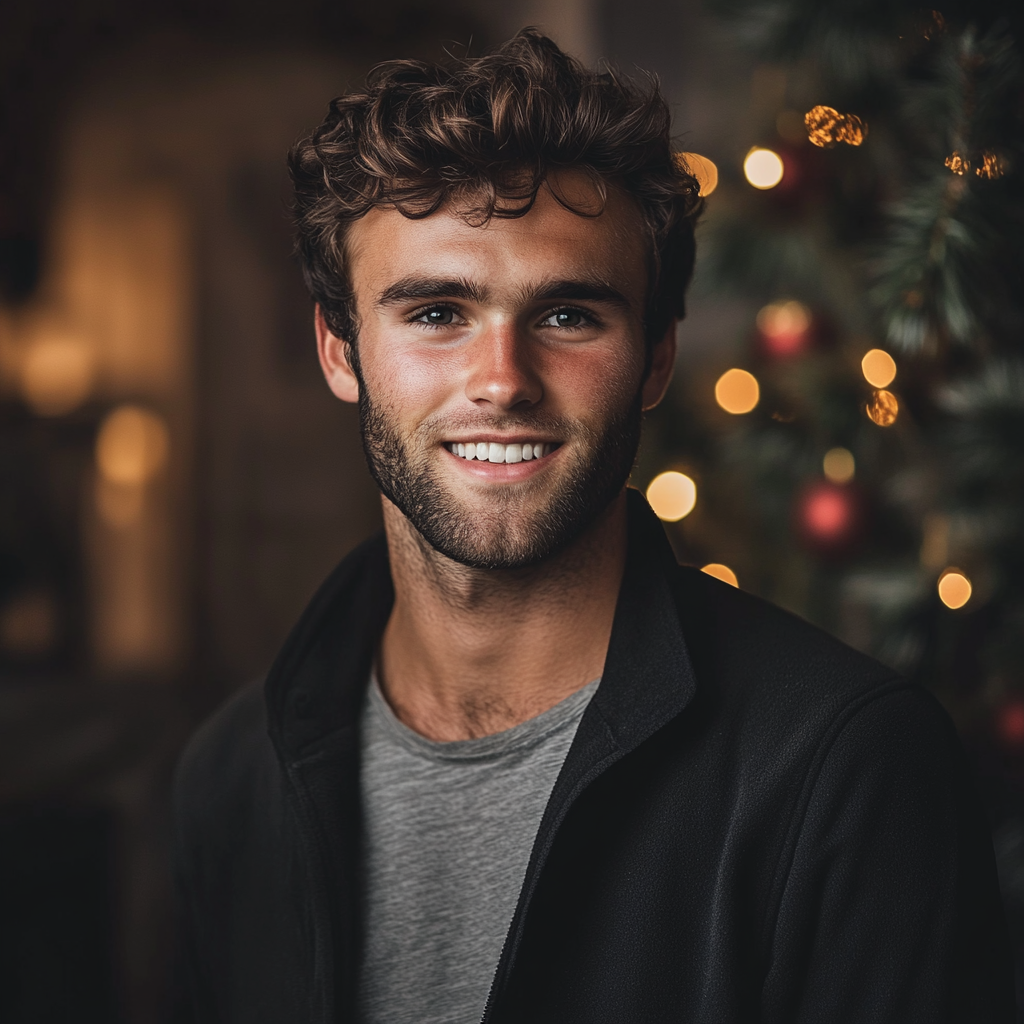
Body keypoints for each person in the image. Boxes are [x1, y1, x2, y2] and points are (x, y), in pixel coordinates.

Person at [172, 29, 1013, 1024]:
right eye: (437, 312)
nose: (502, 381)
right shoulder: (231, 776)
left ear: (656, 357)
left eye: (569, 315)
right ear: (340, 350)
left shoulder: (845, 770)